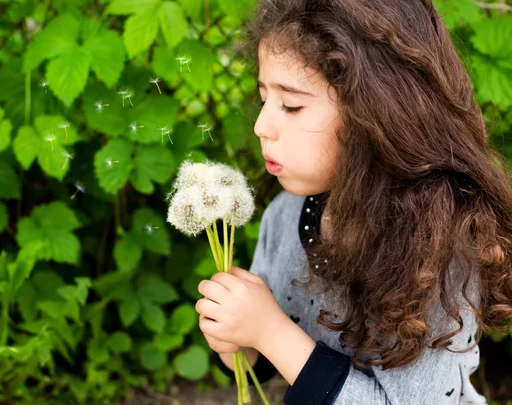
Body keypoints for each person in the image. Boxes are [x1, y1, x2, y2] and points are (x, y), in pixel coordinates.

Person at [194, 0, 512, 404]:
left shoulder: (433, 251)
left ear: (375, 115)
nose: (261, 126)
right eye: (263, 99)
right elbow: (269, 358)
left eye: (291, 105)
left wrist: (271, 331)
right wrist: (238, 336)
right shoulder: (284, 217)